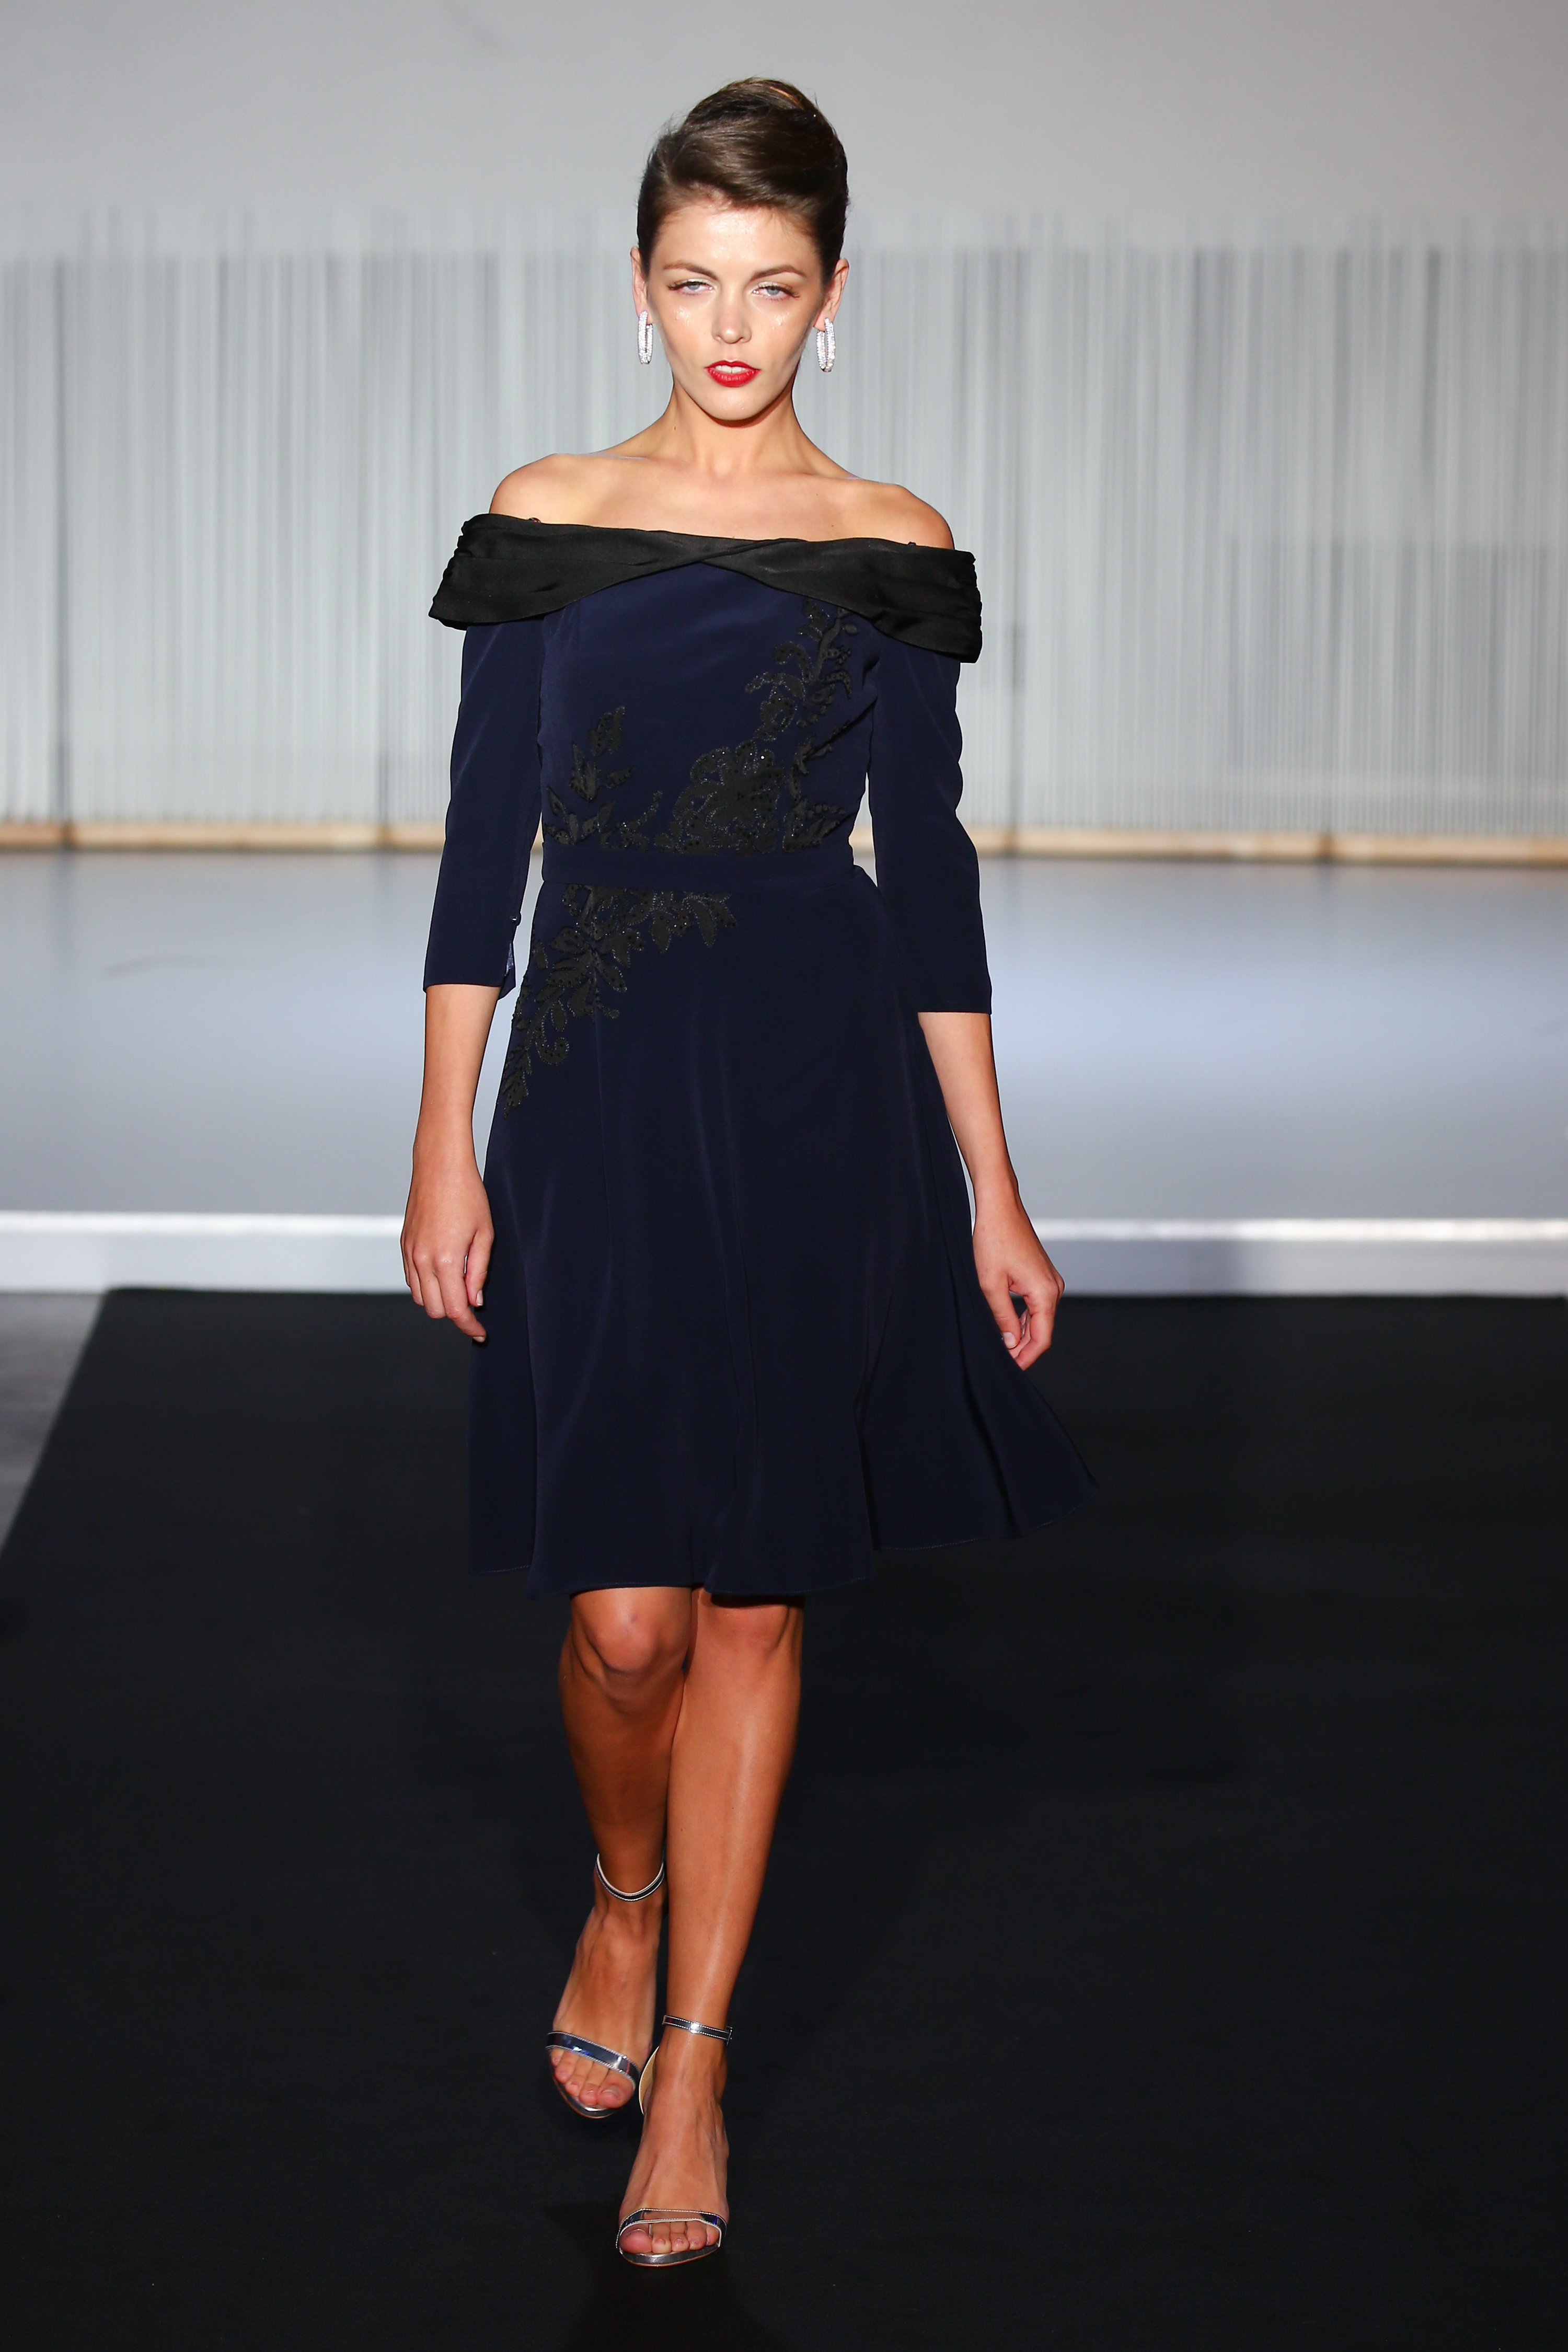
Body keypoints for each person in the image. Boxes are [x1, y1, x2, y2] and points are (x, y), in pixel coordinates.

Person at [401, 78, 1093, 2269]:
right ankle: (624, 1894)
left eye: (772, 288)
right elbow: (484, 848)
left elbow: (933, 880)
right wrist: (440, 1140)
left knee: (758, 1593)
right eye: (695, 283)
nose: (731, 327)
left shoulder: (890, 541)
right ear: (640, 285)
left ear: (831, 293)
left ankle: (695, 2063)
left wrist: (991, 1184)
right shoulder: (546, 516)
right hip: (598, 1074)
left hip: (813, 1080)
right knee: (623, 1624)